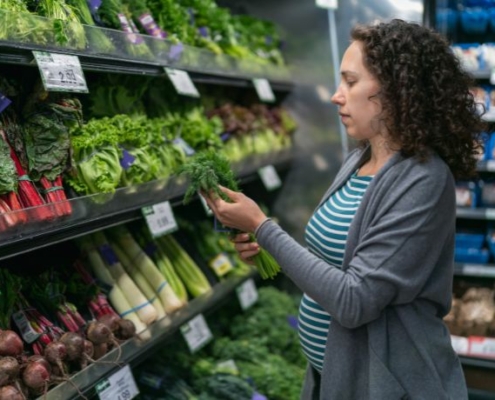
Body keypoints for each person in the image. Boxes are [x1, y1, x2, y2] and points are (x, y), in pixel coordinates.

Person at [203, 19, 485, 400]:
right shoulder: (358, 161)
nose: (337, 95)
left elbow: (355, 302)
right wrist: (266, 246)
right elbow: (336, 263)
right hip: (332, 375)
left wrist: (264, 227)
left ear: (396, 91)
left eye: (351, 82)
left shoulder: (423, 180)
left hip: (387, 385)